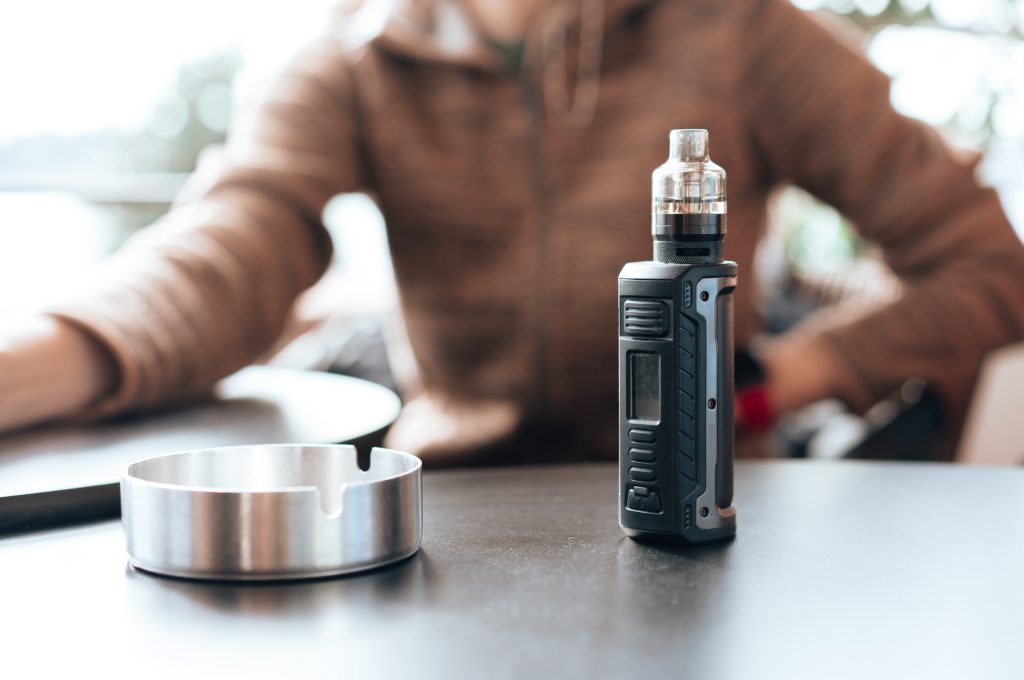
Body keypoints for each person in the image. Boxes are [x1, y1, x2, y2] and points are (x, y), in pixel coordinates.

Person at [1, 0, 1022, 465]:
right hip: (451, 514)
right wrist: (50, 359)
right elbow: (232, 246)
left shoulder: (745, 31)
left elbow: (989, 266)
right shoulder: (346, 59)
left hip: (706, 514)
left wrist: (772, 382)